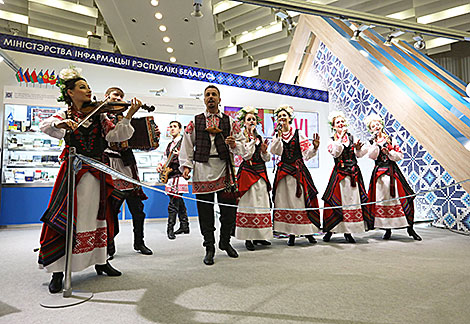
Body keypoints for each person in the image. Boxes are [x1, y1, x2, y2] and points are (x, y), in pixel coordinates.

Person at [38, 67, 142, 293]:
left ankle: (101, 261)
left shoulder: (100, 116)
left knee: (98, 216)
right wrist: (60, 125)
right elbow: (45, 126)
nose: (88, 91)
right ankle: (58, 269)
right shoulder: (63, 115)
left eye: (88, 87)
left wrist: (129, 115)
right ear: (70, 92)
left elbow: (118, 136)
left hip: (97, 172)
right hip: (73, 174)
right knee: (66, 216)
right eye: (82, 87)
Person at [179, 85, 244, 265]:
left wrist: (233, 145)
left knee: (229, 212)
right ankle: (209, 246)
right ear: (204, 99)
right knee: (205, 213)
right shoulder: (195, 121)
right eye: (207, 95)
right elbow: (186, 144)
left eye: (214, 94)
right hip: (202, 169)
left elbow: (242, 145)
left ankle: (225, 242)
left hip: (225, 169)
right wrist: (186, 165)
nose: (211, 97)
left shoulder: (230, 122)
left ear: (219, 99)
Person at [105, 87, 155, 256]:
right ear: (107, 97)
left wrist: (151, 137)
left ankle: (139, 243)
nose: (119, 98)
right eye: (115, 95)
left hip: (128, 166)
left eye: (121, 96)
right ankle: (109, 246)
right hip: (110, 165)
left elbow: (142, 143)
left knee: (138, 210)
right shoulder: (101, 116)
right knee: (111, 210)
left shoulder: (128, 119)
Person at [365, 114, 421, 240]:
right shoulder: (371, 142)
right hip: (379, 175)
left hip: (393, 172)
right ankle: (387, 229)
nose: (376, 127)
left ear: (381, 125)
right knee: (382, 199)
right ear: (371, 129)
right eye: (373, 126)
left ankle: (410, 229)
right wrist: (374, 144)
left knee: (402, 198)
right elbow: (372, 156)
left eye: (378, 124)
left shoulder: (390, 139)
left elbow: (399, 156)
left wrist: (389, 152)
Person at [270, 105, 321, 246]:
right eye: (279, 117)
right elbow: (276, 151)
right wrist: (278, 138)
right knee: (286, 201)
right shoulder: (277, 136)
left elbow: (306, 154)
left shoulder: (299, 133)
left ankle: (308, 231)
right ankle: (291, 233)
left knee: (301, 201)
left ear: (289, 118)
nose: (282, 119)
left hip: (298, 171)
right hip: (284, 173)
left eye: (284, 116)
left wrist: (315, 147)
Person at [322, 111, 371, 243]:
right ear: (333, 126)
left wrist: (360, 149)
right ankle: (331, 230)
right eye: (338, 122)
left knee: (352, 201)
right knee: (336, 200)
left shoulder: (352, 138)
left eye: (342, 121)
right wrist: (340, 138)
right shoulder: (331, 140)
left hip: (353, 173)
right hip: (340, 174)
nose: (341, 124)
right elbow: (336, 153)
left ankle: (348, 231)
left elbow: (359, 155)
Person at [234, 106, 272, 251]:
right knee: (248, 204)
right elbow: (246, 155)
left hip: (260, 172)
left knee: (261, 204)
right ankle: (248, 237)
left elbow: (266, 158)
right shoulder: (242, 137)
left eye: (253, 119)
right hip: (247, 173)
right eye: (248, 119)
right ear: (244, 122)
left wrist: (264, 151)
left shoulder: (260, 137)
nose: (251, 121)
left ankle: (260, 236)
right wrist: (250, 140)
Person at [156, 121, 190, 240]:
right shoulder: (169, 144)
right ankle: (185, 226)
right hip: (171, 176)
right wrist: (160, 165)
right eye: (170, 127)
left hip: (179, 176)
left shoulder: (184, 143)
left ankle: (170, 229)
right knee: (178, 202)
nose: (172, 129)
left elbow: (190, 157)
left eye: (175, 127)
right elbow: (165, 158)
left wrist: (181, 155)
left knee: (173, 203)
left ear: (180, 129)